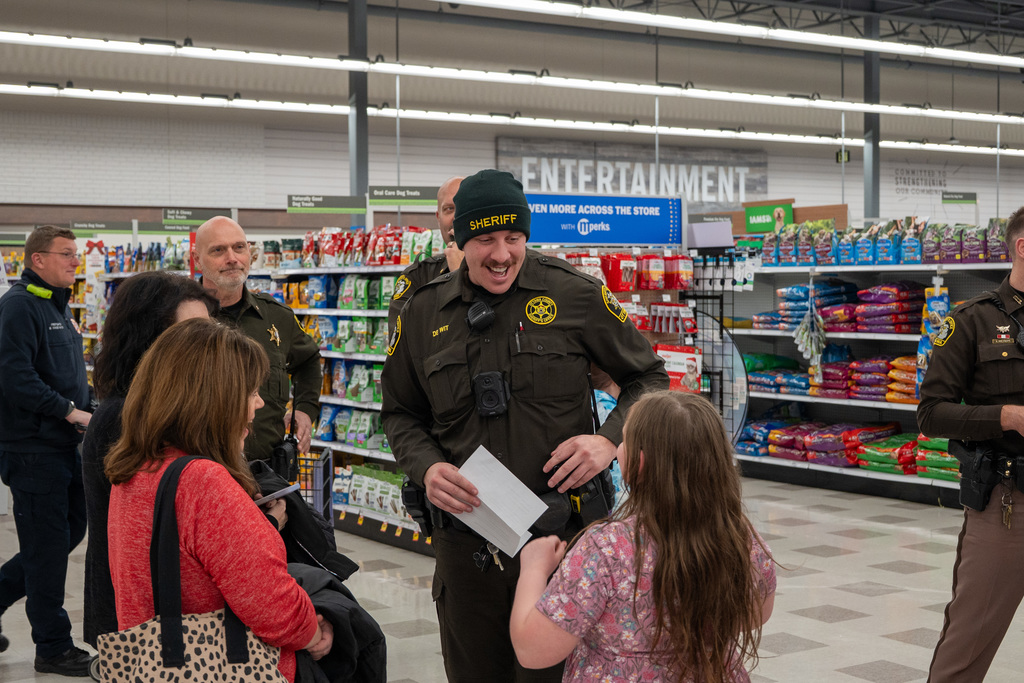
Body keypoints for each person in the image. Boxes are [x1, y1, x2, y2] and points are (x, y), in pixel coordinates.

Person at [381, 169, 669, 682]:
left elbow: (648, 377)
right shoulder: (423, 312)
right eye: (485, 239)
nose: (500, 254)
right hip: (468, 547)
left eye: (513, 238)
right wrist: (426, 469)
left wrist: (608, 440)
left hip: (567, 542)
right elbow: (401, 412)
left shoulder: (574, 294)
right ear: (458, 237)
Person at [105, 318, 331, 682]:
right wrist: (315, 632)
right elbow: (276, 613)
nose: (258, 403)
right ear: (213, 400)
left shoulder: (136, 469)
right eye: (250, 391)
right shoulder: (204, 482)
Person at [510, 391, 776, 681]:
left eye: (624, 439)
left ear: (639, 462)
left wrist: (533, 569)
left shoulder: (605, 550)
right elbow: (755, 616)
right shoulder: (740, 538)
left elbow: (533, 651)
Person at [81, 271, 218, 649]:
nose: (207, 345)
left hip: (163, 618)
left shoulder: (159, 407)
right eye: (190, 333)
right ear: (151, 341)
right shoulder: (126, 417)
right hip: (140, 625)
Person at [918, 204, 1024, 681]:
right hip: (1007, 507)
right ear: (1022, 247)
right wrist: (1006, 416)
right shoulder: (971, 321)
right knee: (969, 640)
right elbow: (932, 414)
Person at [0, 224, 94, 676]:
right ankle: (52, 647)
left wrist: (91, 409)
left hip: (64, 447)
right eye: (66, 254)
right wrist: (70, 411)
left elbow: (67, 372)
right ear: (37, 259)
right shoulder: (19, 308)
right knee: (47, 548)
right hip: (32, 450)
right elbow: (16, 379)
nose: (75, 261)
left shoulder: (58, 306)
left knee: (66, 535)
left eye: (75, 254)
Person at [194, 216, 321, 460]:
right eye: (218, 250)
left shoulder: (277, 316)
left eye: (239, 247)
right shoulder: (179, 317)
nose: (232, 258)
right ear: (197, 259)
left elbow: (308, 361)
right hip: (201, 476)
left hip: (267, 474)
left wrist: (304, 410)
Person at [387, 176, 465, 330]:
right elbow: (404, 344)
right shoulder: (417, 278)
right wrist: (458, 277)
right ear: (438, 218)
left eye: (465, 207)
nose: (456, 217)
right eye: (449, 209)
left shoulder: (502, 270)